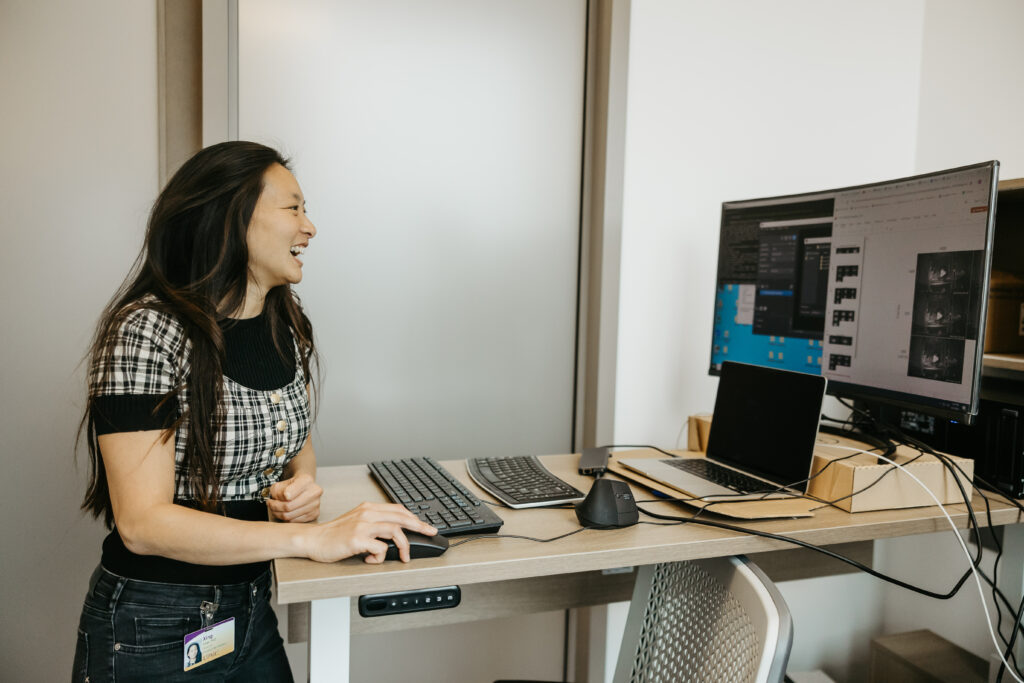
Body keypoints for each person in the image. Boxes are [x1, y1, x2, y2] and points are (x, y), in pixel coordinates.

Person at [71, 141, 436, 682]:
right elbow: (142, 524)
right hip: (154, 619)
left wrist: (302, 486)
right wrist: (311, 538)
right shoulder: (145, 331)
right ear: (229, 218)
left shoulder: (280, 321)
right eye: (293, 208)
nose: (309, 228)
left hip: (250, 602)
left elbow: (298, 443)